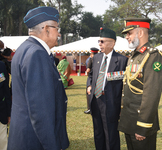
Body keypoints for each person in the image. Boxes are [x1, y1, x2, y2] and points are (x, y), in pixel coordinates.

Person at [7, 6, 69, 150]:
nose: (59, 34)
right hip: (35, 140)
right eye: (57, 29)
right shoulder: (37, 54)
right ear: (46, 29)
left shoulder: (24, 49)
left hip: (24, 136)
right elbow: (41, 112)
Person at [118, 18, 162, 150]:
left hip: (141, 122)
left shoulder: (153, 56)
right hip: (129, 121)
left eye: (129, 33)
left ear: (140, 33)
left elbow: (151, 95)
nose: (127, 37)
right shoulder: (134, 56)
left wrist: (143, 125)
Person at [87, 27, 128, 150]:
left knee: (111, 134)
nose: (100, 44)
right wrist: (89, 85)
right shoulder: (96, 58)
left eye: (103, 41)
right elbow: (91, 75)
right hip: (96, 100)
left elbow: (124, 85)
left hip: (111, 103)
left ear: (112, 43)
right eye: (99, 41)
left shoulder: (122, 60)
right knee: (98, 132)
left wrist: (122, 105)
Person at [0, 61, 12, 150]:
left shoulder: (1, 65)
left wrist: (8, 113)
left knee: (2, 141)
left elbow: (6, 90)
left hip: (1, 111)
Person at [84, 47, 99, 114]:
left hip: (91, 78)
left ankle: (90, 108)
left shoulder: (91, 59)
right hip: (99, 78)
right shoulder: (100, 58)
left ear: (91, 53)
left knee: (89, 93)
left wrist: (87, 74)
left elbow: (88, 70)